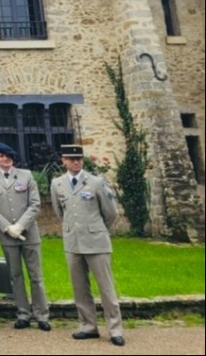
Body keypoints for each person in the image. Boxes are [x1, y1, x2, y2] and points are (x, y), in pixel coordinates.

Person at [51, 144, 124, 346]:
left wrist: (97, 229)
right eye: (71, 159)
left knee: (106, 288)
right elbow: (60, 212)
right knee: (80, 288)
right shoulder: (57, 184)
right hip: (73, 242)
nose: (76, 162)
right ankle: (88, 326)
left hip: (96, 242)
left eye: (79, 159)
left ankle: (115, 329)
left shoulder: (96, 182)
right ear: (64, 161)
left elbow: (111, 213)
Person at [0, 142, 50, 332]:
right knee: (15, 276)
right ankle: (23, 314)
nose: (5, 159)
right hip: (8, 236)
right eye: (1, 156)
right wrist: (7, 227)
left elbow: (35, 204)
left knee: (36, 276)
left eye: (8, 156)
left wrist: (21, 225)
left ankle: (41, 314)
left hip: (29, 233)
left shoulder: (26, 175)